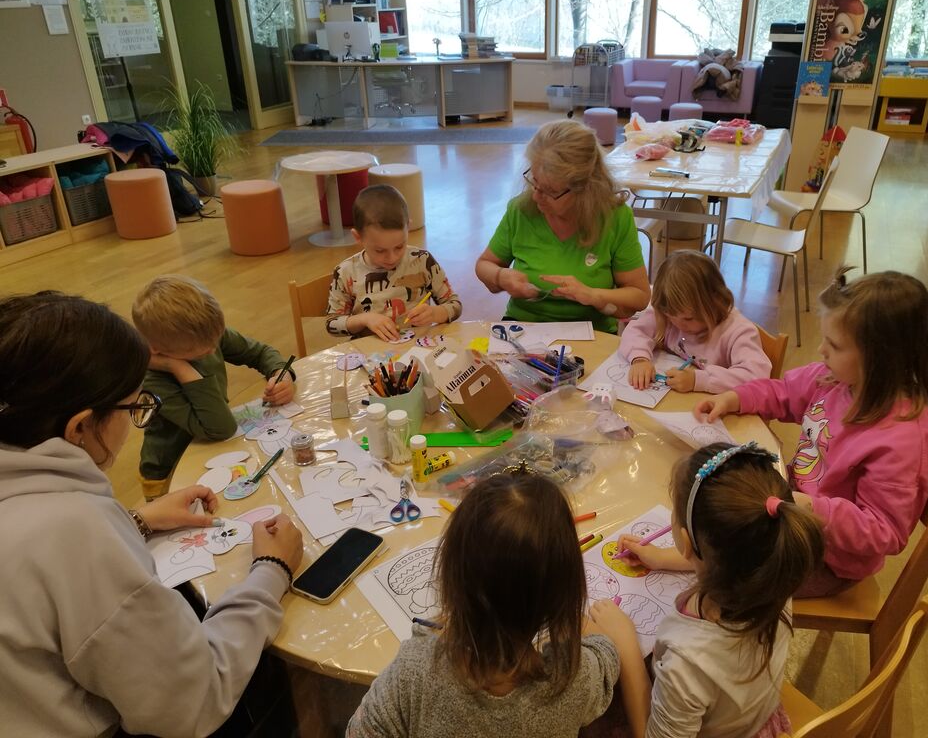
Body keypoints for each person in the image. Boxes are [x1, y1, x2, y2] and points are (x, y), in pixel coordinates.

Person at [0, 291, 304, 738]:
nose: (133, 421)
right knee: (269, 676)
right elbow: (195, 700)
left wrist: (136, 521)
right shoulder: (75, 532)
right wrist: (272, 569)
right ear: (80, 427)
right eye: (133, 408)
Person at [694, 268, 928, 597]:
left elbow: (884, 532)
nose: (821, 350)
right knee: (713, 523)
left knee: (724, 577)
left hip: (828, 558)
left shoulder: (902, 439)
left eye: (834, 345)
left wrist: (813, 509)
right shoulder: (835, 378)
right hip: (792, 508)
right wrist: (735, 398)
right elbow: (783, 392)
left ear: (881, 358)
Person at [346, 469, 619, 738]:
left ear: (452, 579)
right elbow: (607, 657)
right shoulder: (573, 680)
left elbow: (361, 731)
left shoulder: (415, 670)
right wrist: (580, 623)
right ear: (564, 593)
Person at [591, 443, 825, 738]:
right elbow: (733, 557)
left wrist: (627, 649)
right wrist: (661, 558)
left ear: (687, 542)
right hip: (747, 714)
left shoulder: (688, 663)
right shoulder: (773, 570)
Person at [475, 120, 651, 334]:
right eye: (534, 182)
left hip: (593, 332)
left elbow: (639, 296)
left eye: (550, 191)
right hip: (523, 328)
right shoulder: (521, 210)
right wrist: (500, 277)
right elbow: (484, 264)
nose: (536, 196)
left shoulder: (614, 217)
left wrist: (593, 295)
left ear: (585, 189)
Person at [132, 274, 296, 500]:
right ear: (156, 350)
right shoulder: (153, 382)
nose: (212, 349)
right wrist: (180, 368)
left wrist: (282, 374)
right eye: (202, 353)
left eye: (216, 341)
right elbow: (220, 428)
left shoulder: (205, 336)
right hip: (170, 474)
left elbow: (259, 352)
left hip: (212, 449)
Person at [620, 250, 771, 393]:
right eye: (670, 316)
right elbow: (636, 331)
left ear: (716, 302)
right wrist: (639, 359)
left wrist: (699, 381)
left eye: (688, 318)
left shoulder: (738, 331)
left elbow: (757, 376)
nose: (679, 325)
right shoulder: (668, 313)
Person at [326, 184, 462, 342]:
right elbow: (332, 324)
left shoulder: (422, 260)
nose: (391, 258)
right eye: (379, 250)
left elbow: (455, 304)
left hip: (418, 348)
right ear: (358, 237)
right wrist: (365, 319)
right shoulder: (345, 272)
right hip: (371, 352)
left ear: (408, 228)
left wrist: (435, 313)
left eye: (399, 246)